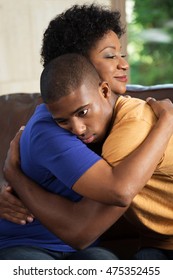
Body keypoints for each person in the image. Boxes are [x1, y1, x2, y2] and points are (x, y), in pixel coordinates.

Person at [1, 4, 173, 260]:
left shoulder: (125, 118)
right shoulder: (54, 127)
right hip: (30, 244)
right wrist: (12, 176)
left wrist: (14, 176)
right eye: (109, 56)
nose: (123, 64)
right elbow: (107, 202)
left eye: (121, 54)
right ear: (78, 64)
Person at [40, 52, 173, 260]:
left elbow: (83, 231)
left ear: (103, 90)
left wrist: (14, 175)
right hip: (158, 244)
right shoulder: (94, 131)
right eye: (63, 121)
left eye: (82, 113)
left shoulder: (131, 128)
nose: (77, 129)